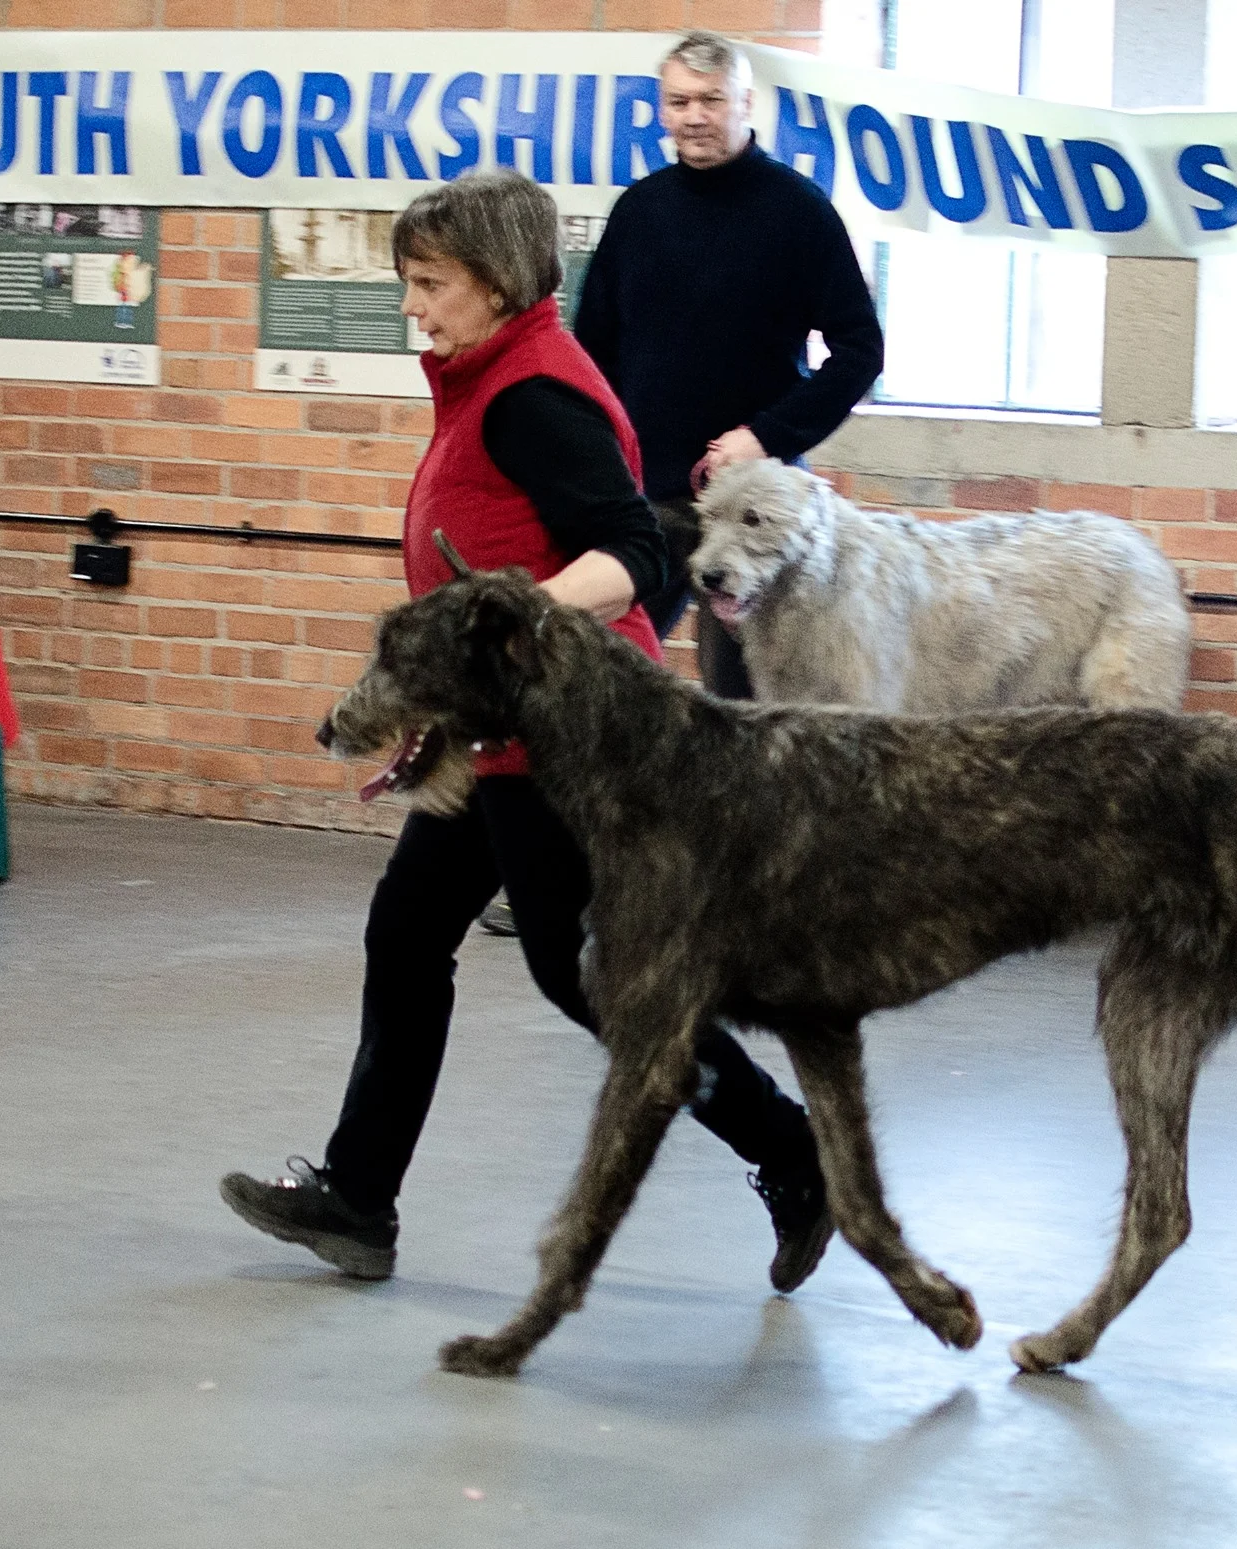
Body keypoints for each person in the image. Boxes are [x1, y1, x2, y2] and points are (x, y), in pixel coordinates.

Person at [220, 173, 833, 1295]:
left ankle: (794, 1150)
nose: (414, 306)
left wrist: (506, 626)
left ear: (497, 283)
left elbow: (636, 555)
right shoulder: (490, 375)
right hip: (496, 731)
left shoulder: (530, 393)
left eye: (430, 283)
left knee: (587, 980)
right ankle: (359, 1198)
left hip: (569, 742)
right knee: (407, 932)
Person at [574, 28, 884, 700]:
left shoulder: (799, 213)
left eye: (710, 100)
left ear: (745, 102)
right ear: (661, 108)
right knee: (601, 689)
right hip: (645, 503)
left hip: (751, 510)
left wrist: (766, 437)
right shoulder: (638, 211)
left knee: (743, 707)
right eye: (678, 101)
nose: (693, 117)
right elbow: (588, 353)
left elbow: (862, 352)